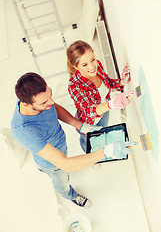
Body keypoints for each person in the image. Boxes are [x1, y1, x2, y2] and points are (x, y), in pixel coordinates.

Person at [11, 72, 135, 208]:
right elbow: (65, 165)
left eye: (50, 95)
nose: (51, 102)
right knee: (62, 181)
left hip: (60, 146)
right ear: (27, 104)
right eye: (45, 102)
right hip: (52, 165)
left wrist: (80, 125)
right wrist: (105, 152)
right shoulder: (24, 131)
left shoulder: (37, 98)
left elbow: (55, 108)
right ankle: (71, 196)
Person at [67, 40, 133, 152]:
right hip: (87, 122)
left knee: (101, 134)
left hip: (104, 112)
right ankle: (89, 153)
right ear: (75, 66)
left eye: (92, 59)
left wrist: (122, 82)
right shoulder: (74, 86)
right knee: (88, 140)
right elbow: (89, 111)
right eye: (85, 64)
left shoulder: (98, 66)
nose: (92, 66)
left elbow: (108, 83)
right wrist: (112, 104)